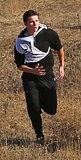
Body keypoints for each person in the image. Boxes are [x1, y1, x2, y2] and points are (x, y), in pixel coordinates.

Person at [14, 9, 65, 143]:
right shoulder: (21, 41)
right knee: (34, 109)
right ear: (25, 23)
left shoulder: (48, 34)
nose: (35, 24)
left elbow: (59, 48)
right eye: (31, 22)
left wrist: (61, 66)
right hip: (30, 79)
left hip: (47, 77)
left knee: (52, 110)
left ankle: (40, 100)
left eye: (36, 21)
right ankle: (39, 135)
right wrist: (33, 71)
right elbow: (19, 66)